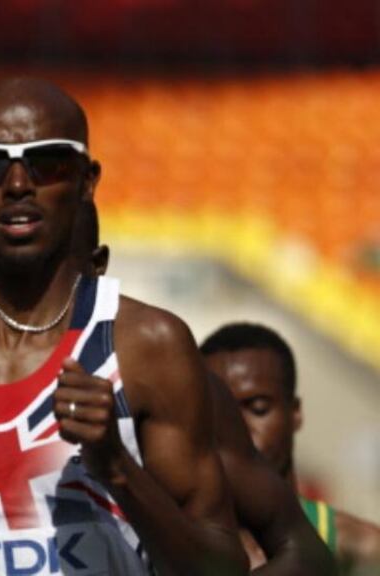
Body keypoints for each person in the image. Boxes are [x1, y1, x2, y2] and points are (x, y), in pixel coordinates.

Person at [0, 77, 248, 575]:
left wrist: (118, 469)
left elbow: (221, 568)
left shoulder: (146, 346)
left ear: (86, 181)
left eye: (48, 163)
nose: (18, 185)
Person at [78, 202, 336, 574]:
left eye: (258, 407)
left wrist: (118, 467)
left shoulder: (158, 376)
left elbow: (305, 554)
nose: (242, 424)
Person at [202, 323, 380, 573]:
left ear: (295, 412)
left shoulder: (360, 547)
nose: (238, 428)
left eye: (258, 408)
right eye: (221, 412)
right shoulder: (162, 542)